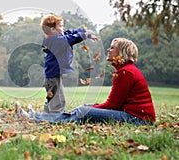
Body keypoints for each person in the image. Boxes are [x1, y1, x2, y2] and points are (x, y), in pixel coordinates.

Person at [16, 37, 156, 125]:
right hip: (133, 116)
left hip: (138, 119)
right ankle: (37, 117)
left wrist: (90, 108)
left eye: (112, 48)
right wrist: (92, 106)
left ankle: (34, 118)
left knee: (84, 111)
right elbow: (115, 104)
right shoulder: (125, 70)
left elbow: (113, 105)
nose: (108, 49)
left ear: (122, 53)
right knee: (83, 109)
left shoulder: (126, 72)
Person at [36, 14, 100, 114]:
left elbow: (69, 33)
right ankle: (56, 117)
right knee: (58, 99)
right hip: (53, 75)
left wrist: (82, 30)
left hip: (53, 74)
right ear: (52, 29)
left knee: (53, 97)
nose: (63, 28)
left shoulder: (57, 37)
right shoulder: (56, 40)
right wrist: (85, 34)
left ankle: (45, 115)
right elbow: (71, 39)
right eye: (60, 26)